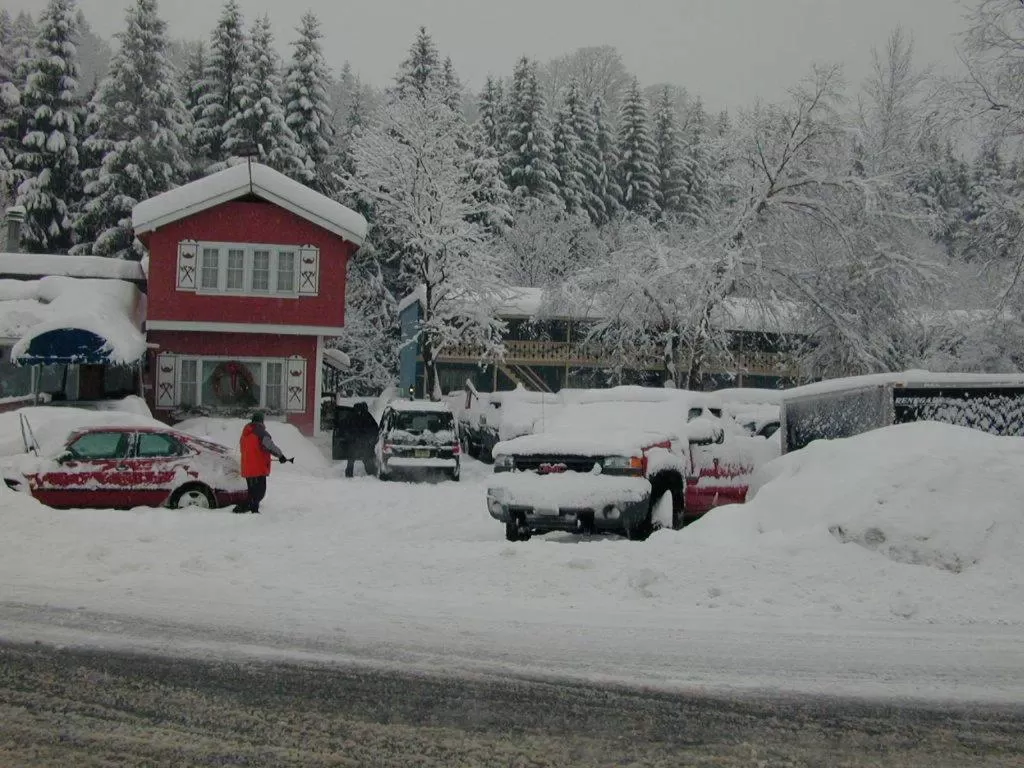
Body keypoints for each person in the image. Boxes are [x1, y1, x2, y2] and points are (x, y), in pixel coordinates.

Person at [236, 411, 290, 514]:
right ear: (261, 420)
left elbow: (244, 450)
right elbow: (270, 446)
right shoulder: (261, 433)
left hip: (247, 468)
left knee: (252, 491)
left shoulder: (245, 433)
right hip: (257, 469)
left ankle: (248, 508)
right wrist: (281, 456)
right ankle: (253, 511)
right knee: (259, 492)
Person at [345, 401, 379, 478]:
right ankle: (371, 474)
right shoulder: (367, 416)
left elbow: (345, 428)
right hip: (363, 442)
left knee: (351, 459)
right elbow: (375, 429)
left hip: (355, 442)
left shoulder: (351, 416)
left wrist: (350, 437)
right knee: (366, 458)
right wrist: (371, 439)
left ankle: (348, 475)